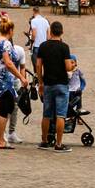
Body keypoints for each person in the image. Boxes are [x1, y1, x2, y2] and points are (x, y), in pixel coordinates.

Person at [35, 19, 75, 152]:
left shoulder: (43, 46)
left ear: (50, 31)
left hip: (48, 83)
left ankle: (44, 141)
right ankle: (58, 143)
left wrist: (40, 82)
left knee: (46, 114)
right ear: (62, 32)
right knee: (60, 115)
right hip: (62, 83)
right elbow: (68, 67)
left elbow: (38, 66)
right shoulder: (64, 47)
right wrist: (73, 66)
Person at [0, 18, 28, 148]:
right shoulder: (6, 43)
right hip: (3, 78)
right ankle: (1, 140)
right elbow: (8, 63)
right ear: (10, 30)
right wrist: (21, 77)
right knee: (5, 108)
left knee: (8, 105)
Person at [6, 39, 29, 144]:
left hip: (15, 82)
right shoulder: (0, 51)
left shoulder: (19, 50)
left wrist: (23, 80)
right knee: (4, 107)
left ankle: (11, 132)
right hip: (4, 81)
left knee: (15, 107)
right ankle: (2, 133)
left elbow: (22, 67)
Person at [27, 6, 50, 70]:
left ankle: (37, 78)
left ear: (33, 12)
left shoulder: (33, 21)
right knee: (44, 65)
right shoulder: (45, 20)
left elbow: (34, 34)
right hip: (45, 45)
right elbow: (48, 35)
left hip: (37, 45)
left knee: (36, 66)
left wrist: (31, 42)